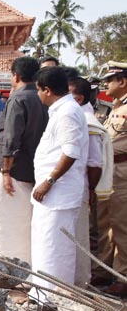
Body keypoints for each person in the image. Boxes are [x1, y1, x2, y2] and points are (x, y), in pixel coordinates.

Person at [0, 56, 48, 263]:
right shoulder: (42, 99)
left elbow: (12, 137)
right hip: (31, 170)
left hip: (11, 173)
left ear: (15, 76)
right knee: (23, 224)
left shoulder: (18, 99)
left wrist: (5, 171)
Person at [30, 66, 88, 302]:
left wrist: (49, 181)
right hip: (54, 196)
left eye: (38, 90)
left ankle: (50, 299)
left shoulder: (67, 113)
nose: (38, 95)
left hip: (58, 194)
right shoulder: (62, 110)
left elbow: (71, 152)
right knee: (47, 246)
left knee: (54, 249)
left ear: (47, 90)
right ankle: (43, 295)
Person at [69, 77, 108, 288]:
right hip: (73, 188)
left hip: (79, 187)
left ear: (79, 97)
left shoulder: (87, 121)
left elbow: (94, 162)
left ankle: (78, 282)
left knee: (78, 235)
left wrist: (91, 188)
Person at [92, 61, 127, 296]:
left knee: (121, 226)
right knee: (105, 224)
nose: (106, 84)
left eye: (110, 80)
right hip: (109, 172)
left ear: (123, 82)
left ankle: (122, 277)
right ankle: (104, 272)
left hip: (122, 171)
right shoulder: (115, 107)